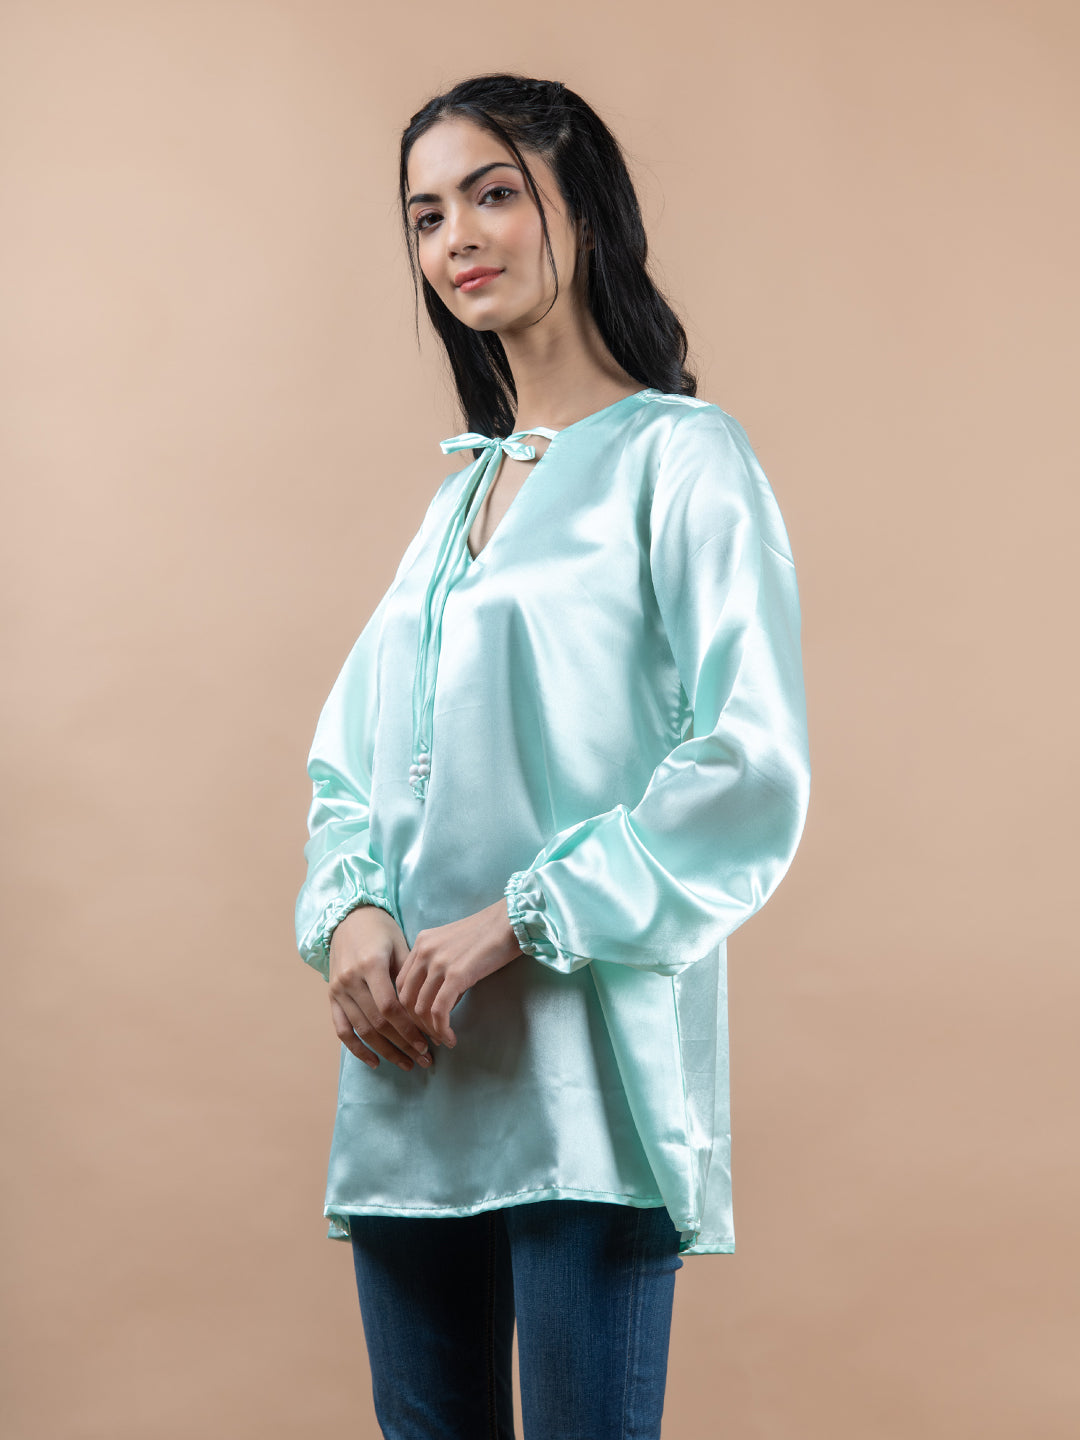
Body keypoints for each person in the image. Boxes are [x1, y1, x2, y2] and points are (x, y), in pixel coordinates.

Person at [294, 73, 811, 1440]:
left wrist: (510, 923)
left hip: (586, 1084)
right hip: (415, 1073)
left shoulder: (683, 460)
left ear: (581, 208)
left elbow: (748, 767)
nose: (456, 236)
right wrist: (351, 919)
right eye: (425, 215)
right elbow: (352, 762)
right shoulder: (457, 496)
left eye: (493, 194)